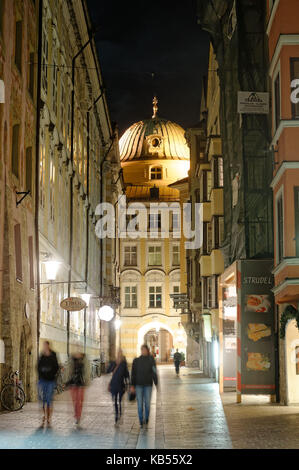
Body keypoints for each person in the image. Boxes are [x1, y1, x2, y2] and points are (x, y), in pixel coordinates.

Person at [131, 344, 158, 428]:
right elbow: (133, 374)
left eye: (145, 349)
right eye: (142, 349)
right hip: (138, 385)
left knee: (147, 404)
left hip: (148, 385)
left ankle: (146, 418)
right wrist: (132, 385)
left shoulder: (151, 360)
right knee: (139, 404)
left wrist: (156, 382)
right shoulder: (136, 360)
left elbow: (154, 371)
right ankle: (141, 420)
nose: (143, 351)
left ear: (148, 350)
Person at [66, 347, 90, 429]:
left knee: (80, 401)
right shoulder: (72, 358)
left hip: (81, 383)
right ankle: (77, 416)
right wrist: (67, 380)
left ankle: (78, 417)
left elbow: (87, 369)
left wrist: (87, 380)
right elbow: (68, 370)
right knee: (75, 401)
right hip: (73, 383)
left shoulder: (84, 357)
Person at [37, 341, 59, 428]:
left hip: (50, 381)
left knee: (49, 400)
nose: (45, 347)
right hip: (42, 380)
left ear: (49, 346)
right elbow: (38, 366)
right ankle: (44, 416)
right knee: (42, 399)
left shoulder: (53, 355)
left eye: (46, 345)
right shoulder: (42, 355)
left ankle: (49, 418)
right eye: (44, 345)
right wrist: (40, 375)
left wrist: (51, 374)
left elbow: (56, 367)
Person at [107, 349, 130, 426]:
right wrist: (111, 365)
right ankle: (116, 418)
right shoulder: (113, 363)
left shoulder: (123, 364)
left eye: (120, 353)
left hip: (121, 386)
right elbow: (108, 371)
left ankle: (120, 416)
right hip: (113, 385)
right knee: (115, 402)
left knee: (120, 402)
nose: (119, 354)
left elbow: (126, 374)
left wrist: (127, 384)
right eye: (118, 353)